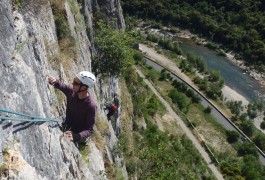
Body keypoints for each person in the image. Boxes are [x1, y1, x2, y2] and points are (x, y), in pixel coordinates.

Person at [48, 71, 97, 145]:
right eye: (74, 81)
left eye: (76, 83)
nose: (72, 84)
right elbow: (63, 86)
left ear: (83, 87)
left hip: (78, 134)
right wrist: (54, 81)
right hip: (68, 124)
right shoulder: (72, 92)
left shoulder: (91, 106)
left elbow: (89, 130)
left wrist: (76, 136)